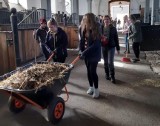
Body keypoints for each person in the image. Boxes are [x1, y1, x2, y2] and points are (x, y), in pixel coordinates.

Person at [79, 13, 101, 98]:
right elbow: (81, 40)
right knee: (88, 71)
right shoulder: (83, 28)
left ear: (90, 20)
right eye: (83, 19)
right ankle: (91, 87)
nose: (84, 21)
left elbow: (96, 44)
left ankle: (96, 90)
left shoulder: (97, 28)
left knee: (93, 71)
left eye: (86, 19)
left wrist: (84, 52)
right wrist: (80, 50)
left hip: (94, 53)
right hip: (86, 54)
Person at [101, 15, 120, 84]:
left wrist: (118, 48)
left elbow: (116, 38)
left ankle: (112, 76)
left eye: (107, 19)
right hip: (103, 47)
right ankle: (107, 74)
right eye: (105, 19)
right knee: (105, 62)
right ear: (103, 20)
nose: (106, 20)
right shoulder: (101, 28)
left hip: (111, 47)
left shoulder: (113, 28)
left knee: (110, 62)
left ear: (110, 20)